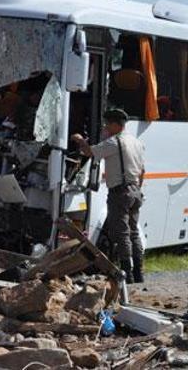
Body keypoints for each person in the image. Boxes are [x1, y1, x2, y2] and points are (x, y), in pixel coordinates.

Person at [70, 108, 146, 283]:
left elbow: (89, 152)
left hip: (120, 193)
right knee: (133, 232)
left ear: (115, 124)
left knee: (122, 233)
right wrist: (137, 189)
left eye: (107, 124)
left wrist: (80, 140)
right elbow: (143, 171)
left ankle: (127, 273)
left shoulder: (114, 142)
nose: (105, 128)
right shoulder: (136, 142)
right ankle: (139, 272)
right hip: (135, 190)